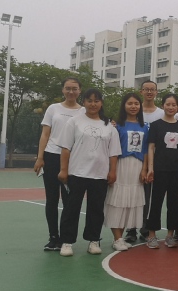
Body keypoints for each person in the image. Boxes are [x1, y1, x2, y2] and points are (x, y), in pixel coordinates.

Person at [57, 88, 122, 257]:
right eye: (89, 100)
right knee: (71, 209)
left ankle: (93, 240)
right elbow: (65, 148)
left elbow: (113, 153)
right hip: (76, 173)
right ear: (84, 102)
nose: (93, 104)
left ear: (101, 103)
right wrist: (64, 170)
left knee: (96, 209)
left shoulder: (109, 126)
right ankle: (67, 242)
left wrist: (112, 171)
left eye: (96, 101)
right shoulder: (74, 122)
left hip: (100, 175)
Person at [34, 77, 84, 251]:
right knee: (52, 199)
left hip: (73, 159)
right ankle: (53, 237)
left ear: (79, 91)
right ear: (62, 90)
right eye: (67, 88)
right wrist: (40, 157)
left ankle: (65, 238)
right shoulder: (53, 108)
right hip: (51, 157)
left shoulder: (84, 111)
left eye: (74, 88)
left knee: (69, 201)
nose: (71, 91)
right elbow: (45, 134)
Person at [104, 93, 149, 251]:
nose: (133, 106)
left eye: (136, 103)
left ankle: (120, 238)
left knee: (129, 204)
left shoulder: (145, 126)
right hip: (121, 166)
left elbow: (146, 150)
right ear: (124, 106)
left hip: (137, 168)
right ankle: (117, 239)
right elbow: (112, 150)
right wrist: (112, 170)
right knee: (118, 202)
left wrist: (144, 169)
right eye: (130, 103)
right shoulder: (116, 126)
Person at [146, 93, 178, 249]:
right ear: (162, 105)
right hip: (160, 169)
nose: (171, 107)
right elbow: (151, 147)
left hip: (177, 170)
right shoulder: (155, 125)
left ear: (177, 107)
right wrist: (151, 168)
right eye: (168, 104)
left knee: (175, 203)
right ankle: (151, 235)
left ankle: (170, 235)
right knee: (156, 202)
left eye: (174, 105)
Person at [124, 80, 164, 243]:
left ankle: (145, 227)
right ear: (141, 91)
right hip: (134, 159)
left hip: (154, 160)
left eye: (152, 89)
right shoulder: (134, 110)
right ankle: (130, 229)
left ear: (156, 92)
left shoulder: (161, 113)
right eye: (146, 89)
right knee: (132, 194)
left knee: (147, 197)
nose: (149, 92)